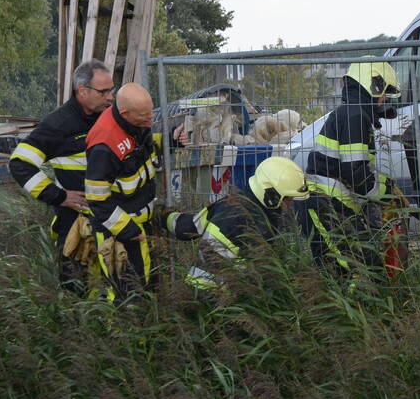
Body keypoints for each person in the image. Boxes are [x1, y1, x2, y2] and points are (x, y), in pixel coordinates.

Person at [9, 60, 114, 295]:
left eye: (112, 90)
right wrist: (58, 196)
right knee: (76, 291)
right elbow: (20, 163)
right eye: (104, 91)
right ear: (83, 91)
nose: (110, 97)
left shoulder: (111, 117)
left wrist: (171, 138)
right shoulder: (58, 124)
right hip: (74, 224)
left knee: (118, 290)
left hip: (113, 219)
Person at [85, 83, 185, 301]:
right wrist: (128, 230)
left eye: (151, 112)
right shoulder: (104, 145)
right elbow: (97, 199)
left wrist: (171, 139)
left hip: (139, 223)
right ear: (125, 113)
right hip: (118, 231)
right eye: (144, 115)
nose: (149, 120)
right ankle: (124, 334)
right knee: (125, 293)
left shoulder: (135, 121)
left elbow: (144, 150)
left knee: (144, 284)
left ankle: (145, 328)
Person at [164, 156, 310, 289]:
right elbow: (254, 269)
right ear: (271, 193)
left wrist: (164, 217)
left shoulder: (230, 203)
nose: (289, 204)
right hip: (212, 295)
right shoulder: (252, 221)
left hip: (212, 294)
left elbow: (189, 226)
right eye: (287, 199)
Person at [303, 62, 401, 223]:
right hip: (329, 203)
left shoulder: (353, 112)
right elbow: (356, 173)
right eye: (383, 92)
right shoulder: (355, 116)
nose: (384, 99)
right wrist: (387, 190)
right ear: (372, 86)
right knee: (350, 249)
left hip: (330, 202)